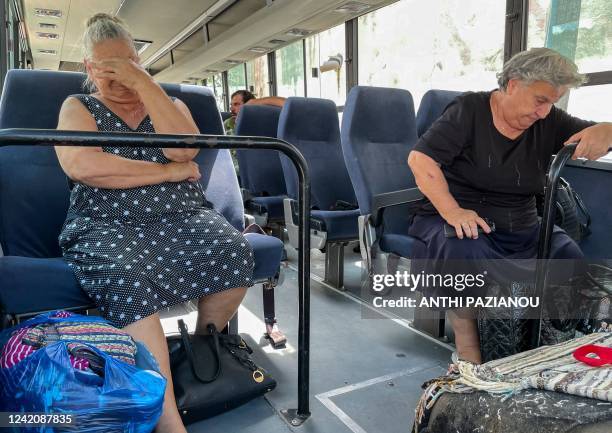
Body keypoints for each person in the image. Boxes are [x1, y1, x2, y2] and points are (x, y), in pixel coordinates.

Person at [55, 13, 254, 433]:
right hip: (107, 222)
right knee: (130, 276)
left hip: (182, 215)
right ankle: (168, 422)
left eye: (128, 65)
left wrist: (143, 83)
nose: (120, 79)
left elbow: (184, 149)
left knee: (234, 251)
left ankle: (204, 350)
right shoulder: (79, 107)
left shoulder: (168, 103)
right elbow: (85, 166)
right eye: (108, 71)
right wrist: (165, 173)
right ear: (90, 69)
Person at [407, 47, 612, 365]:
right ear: (513, 84)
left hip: (520, 225)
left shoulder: (549, 121)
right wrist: (453, 211)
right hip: (459, 217)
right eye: (540, 100)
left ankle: (544, 342)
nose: (544, 112)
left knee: (565, 252)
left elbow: (593, 133)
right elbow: (420, 160)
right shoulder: (469, 110)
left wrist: (607, 128)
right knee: (465, 253)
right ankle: (468, 349)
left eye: (552, 103)